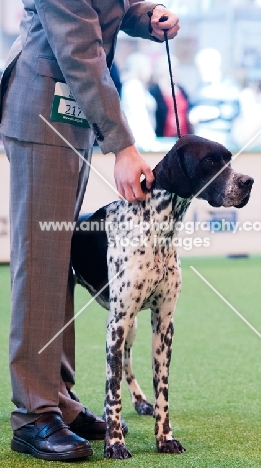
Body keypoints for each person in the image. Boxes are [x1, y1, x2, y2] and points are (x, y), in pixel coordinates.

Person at [0, 0, 179, 461]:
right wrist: (122, 145)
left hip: (69, 115)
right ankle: (34, 415)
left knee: (58, 262)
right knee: (41, 263)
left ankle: (56, 398)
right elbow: (79, 47)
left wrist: (146, 14)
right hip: (43, 109)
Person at [149, 54, 191, 137]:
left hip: (183, 137)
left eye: (176, 69)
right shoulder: (154, 91)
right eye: (173, 69)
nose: (176, 72)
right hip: (162, 136)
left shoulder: (181, 90)